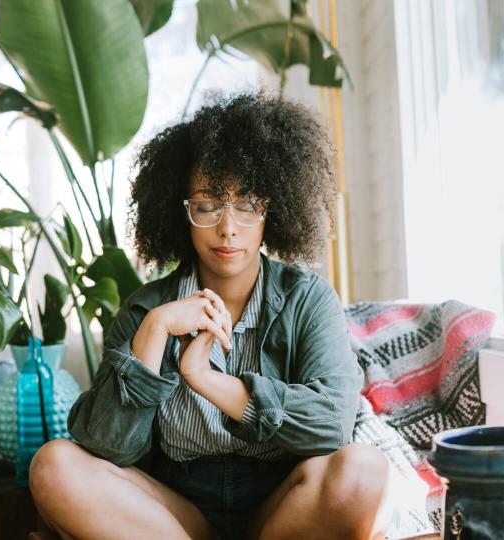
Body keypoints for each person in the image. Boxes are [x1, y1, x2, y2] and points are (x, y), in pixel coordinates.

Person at [29, 94, 392, 540]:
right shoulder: (146, 310)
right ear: (180, 212)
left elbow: (333, 425)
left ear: (271, 210)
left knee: (363, 470)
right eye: (206, 205)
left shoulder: (308, 299)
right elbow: (105, 449)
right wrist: (154, 333)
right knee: (53, 466)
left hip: (281, 509)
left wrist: (204, 377)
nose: (227, 228)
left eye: (247, 204)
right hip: (174, 516)